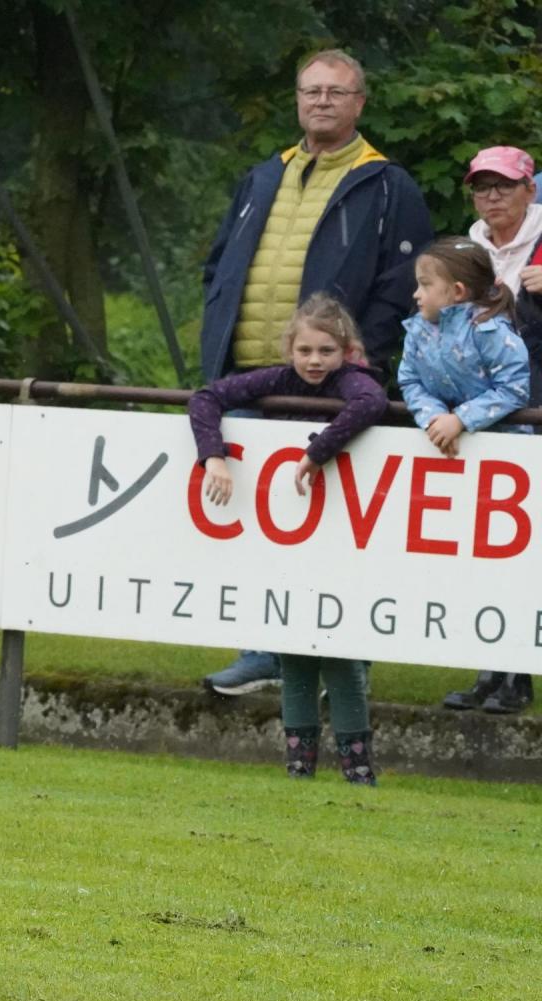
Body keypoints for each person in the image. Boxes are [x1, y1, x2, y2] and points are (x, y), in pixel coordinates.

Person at [199, 48, 433, 696]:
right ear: (298, 101)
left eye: (336, 91)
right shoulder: (261, 177)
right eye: (311, 91)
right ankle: (262, 651)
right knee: (254, 524)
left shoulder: (387, 184)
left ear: (360, 103)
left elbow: (405, 285)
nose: (321, 101)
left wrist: (361, 358)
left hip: (334, 389)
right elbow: (217, 264)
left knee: (335, 529)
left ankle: (340, 662)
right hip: (249, 377)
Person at [188, 295, 388, 783]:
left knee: (338, 644)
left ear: (346, 351)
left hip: (344, 530)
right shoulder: (279, 379)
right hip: (288, 530)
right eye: (304, 351)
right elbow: (206, 397)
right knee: (292, 642)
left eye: (326, 351)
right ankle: (299, 763)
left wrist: (317, 453)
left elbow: (372, 402)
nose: (314, 361)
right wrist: (214, 456)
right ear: (289, 349)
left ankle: (357, 765)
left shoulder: (350, 381)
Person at [391, 237, 534, 716]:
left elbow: (515, 388)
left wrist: (463, 419)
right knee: (476, 572)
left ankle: (515, 678)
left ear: (455, 291)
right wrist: (435, 417)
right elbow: (410, 380)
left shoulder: (491, 330)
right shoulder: (419, 331)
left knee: (511, 571)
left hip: (508, 465)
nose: (416, 294)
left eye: (424, 285)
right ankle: (485, 673)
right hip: (458, 461)